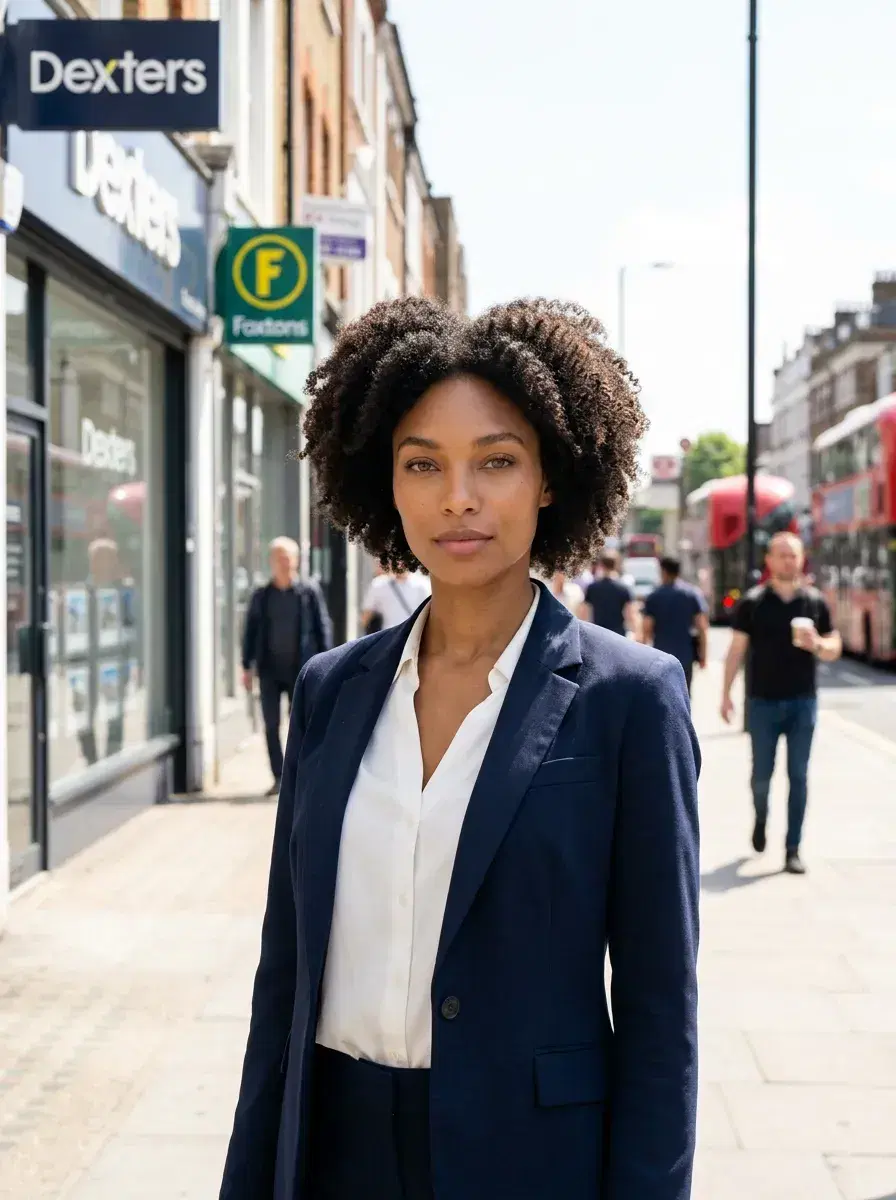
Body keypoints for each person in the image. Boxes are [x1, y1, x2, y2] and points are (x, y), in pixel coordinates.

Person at [220, 297, 700, 1200]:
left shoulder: (631, 699)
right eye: (422, 463)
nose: (459, 496)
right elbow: (283, 974)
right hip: (332, 1147)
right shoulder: (331, 689)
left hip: (527, 1158)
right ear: (384, 482)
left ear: (551, 478)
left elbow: (659, 1010)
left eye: (498, 460)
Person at [721, 532, 841, 874]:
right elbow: (736, 651)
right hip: (762, 703)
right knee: (761, 776)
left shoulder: (815, 603)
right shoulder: (753, 603)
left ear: (802, 559)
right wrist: (726, 694)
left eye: (794, 555)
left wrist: (817, 643)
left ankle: (793, 848)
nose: (789, 561)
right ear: (769, 560)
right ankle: (760, 819)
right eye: (782, 555)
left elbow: (835, 647)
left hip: (803, 702)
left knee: (799, 776)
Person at [241, 537, 333, 794]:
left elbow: (322, 627)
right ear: (271, 562)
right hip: (269, 671)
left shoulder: (308, 592)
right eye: (279, 558)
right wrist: (246, 665)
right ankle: (279, 777)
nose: (284, 563)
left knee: (301, 724)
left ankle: (299, 776)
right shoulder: (262, 596)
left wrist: (327, 664)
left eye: (288, 558)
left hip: (300, 671)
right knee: (270, 724)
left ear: (296, 561)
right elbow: (250, 630)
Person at [642, 556, 709, 695]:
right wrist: (703, 655)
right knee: (684, 696)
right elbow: (702, 627)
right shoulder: (692, 594)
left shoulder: (655, 596)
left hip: (660, 656)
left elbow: (647, 628)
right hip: (685, 654)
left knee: (662, 696)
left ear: (664, 571)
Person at [583, 550, 641, 639]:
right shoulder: (623, 588)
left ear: (601, 565)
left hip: (597, 634)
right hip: (618, 635)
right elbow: (630, 614)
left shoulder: (592, 587)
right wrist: (637, 633)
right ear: (616, 565)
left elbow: (584, 612)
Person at [360, 569, 431, 634]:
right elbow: (367, 615)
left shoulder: (422, 585)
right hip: (392, 635)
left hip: (410, 634)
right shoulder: (378, 584)